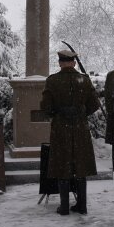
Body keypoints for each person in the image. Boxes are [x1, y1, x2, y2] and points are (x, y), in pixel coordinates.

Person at [40, 49, 101, 215]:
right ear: (73, 63)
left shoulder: (52, 81)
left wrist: (58, 113)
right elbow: (94, 104)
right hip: (80, 128)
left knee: (62, 165)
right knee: (80, 165)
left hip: (61, 128)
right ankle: (82, 205)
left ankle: (64, 206)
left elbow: (46, 107)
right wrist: (80, 113)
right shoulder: (84, 79)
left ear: (60, 63)